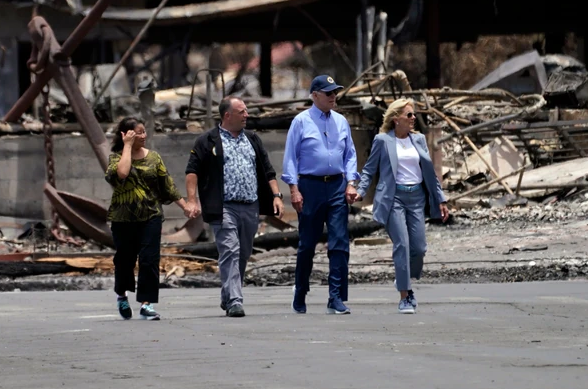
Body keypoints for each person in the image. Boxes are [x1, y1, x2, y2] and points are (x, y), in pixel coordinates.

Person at [184, 96, 284, 318]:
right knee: (230, 250)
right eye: (242, 111)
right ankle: (236, 301)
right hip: (223, 207)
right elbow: (192, 171)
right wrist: (192, 200)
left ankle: (228, 294)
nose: (246, 115)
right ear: (227, 115)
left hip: (250, 206)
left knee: (244, 253)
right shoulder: (207, 140)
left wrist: (276, 196)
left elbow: (268, 170)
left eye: (246, 111)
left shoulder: (253, 139)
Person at [354, 98, 449, 314]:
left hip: (416, 199)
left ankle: (405, 278)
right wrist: (360, 191)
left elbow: (430, 174)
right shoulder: (382, 140)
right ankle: (405, 295)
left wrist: (441, 199)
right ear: (396, 119)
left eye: (414, 114)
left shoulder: (419, 140)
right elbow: (369, 170)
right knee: (402, 245)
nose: (414, 118)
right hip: (393, 198)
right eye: (409, 115)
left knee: (419, 248)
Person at [282, 75, 360, 315]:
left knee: (339, 243)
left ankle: (336, 296)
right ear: (315, 96)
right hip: (310, 187)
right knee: (307, 244)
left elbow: (350, 155)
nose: (333, 97)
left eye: (335, 92)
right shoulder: (301, 121)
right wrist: (293, 189)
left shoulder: (341, 121)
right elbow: (290, 158)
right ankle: (300, 290)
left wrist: (351, 182)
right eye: (328, 93)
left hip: (337, 186)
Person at [105, 116, 187, 321]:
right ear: (125, 135)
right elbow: (122, 173)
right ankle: (122, 295)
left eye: (144, 131)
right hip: (123, 218)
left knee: (149, 259)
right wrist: (127, 146)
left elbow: (168, 185)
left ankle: (146, 304)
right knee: (124, 260)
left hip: (151, 215)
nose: (143, 135)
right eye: (138, 132)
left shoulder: (154, 158)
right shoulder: (116, 157)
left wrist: (186, 206)